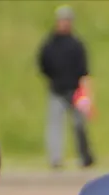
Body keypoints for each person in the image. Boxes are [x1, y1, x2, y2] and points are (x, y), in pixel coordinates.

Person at [37, 5, 94, 169]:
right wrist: (51, 78)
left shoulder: (76, 45)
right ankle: (55, 159)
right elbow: (42, 63)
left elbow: (84, 70)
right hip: (56, 90)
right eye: (62, 20)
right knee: (55, 124)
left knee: (79, 125)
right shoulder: (50, 45)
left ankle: (85, 157)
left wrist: (85, 92)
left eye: (67, 20)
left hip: (75, 91)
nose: (64, 23)